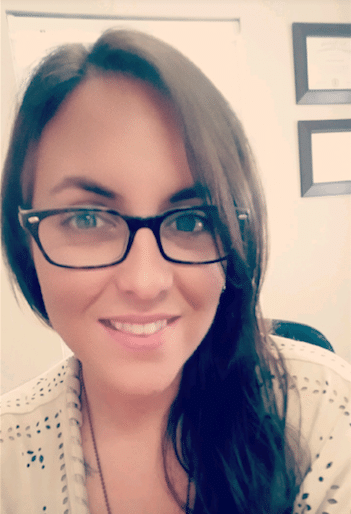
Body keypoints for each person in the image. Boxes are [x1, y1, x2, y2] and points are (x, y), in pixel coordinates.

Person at [1, 29, 350, 514]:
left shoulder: (328, 417)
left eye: (192, 220)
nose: (145, 283)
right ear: (25, 238)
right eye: (87, 218)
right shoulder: (9, 455)